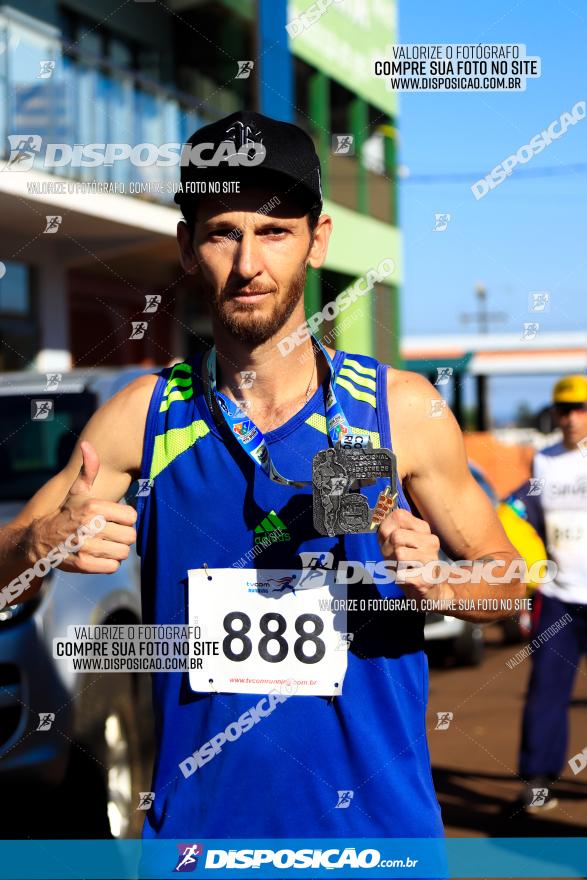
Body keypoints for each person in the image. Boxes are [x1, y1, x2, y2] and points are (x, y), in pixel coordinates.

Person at [0, 111, 524, 851]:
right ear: (187, 247)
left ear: (319, 240)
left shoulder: (401, 410)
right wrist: (36, 542)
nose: (248, 262)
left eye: (275, 231)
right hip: (201, 846)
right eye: (222, 232)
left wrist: (437, 581)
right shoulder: (138, 418)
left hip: (377, 843)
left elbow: (509, 583)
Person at [507, 375, 587, 812]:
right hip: (557, 595)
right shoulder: (543, 462)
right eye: (563, 409)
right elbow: (521, 515)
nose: (570, 417)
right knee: (546, 691)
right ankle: (537, 779)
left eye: (578, 408)